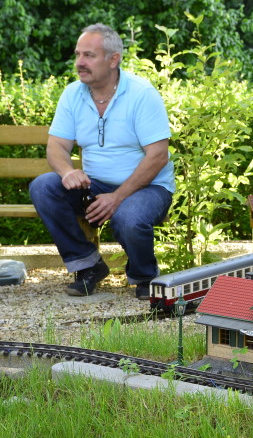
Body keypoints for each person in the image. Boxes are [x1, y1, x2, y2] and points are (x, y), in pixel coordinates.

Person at [29, 24, 175, 298]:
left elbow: (158, 156)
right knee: (43, 186)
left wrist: (117, 197)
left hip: (149, 187)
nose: (79, 63)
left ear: (113, 59)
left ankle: (145, 276)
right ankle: (88, 265)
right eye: (78, 55)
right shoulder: (73, 94)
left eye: (89, 56)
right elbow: (56, 146)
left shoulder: (141, 94)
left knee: (128, 216)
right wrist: (66, 171)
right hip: (95, 185)